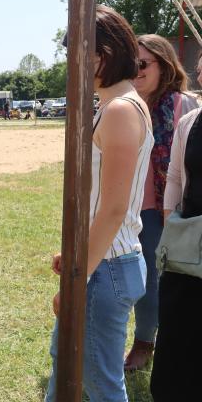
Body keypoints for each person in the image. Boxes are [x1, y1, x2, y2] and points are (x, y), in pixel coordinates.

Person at [45, 5, 153, 402]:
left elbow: (113, 210)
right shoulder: (117, 105)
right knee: (65, 366)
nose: (73, 66)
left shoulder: (122, 109)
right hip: (104, 262)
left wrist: (76, 278)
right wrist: (75, 252)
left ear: (101, 54)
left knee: (101, 384)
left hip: (105, 270)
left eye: (77, 55)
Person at [123, 34, 199, 371]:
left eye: (142, 63)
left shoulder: (185, 106)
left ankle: (145, 342)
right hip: (124, 207)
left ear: (164, 65)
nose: (135, 70)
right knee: (123, 275)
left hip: (161, 212)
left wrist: (172, 213)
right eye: (131, 64)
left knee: (154, 280)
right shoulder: (124, 105)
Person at [150, 53, 202, 401]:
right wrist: (171, 220)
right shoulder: (191, 122)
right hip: (189, 249)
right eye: (201, 71)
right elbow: (176, 177)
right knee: (179, 335)